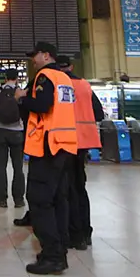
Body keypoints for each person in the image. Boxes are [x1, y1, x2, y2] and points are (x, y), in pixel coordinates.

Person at [15, 42, 77, 275]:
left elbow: (42, 105)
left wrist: (22, 97)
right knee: (58, 200)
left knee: (39, 200)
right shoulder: (65, 78)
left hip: (48, 146)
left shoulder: (45, 76)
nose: (33, 60)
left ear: (46, 55)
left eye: (35, 56)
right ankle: (59, 251)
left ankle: (52, 256)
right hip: (65, 145)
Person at [57, 55, 104, 250]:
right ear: (72, 66)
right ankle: (85, 232)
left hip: (64, 142)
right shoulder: (85, 85)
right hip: (83, 143)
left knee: (66, 190)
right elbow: (99, 113)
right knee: (80, 187)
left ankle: (72, 233)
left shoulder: (58, 86)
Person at [0, 68, 25, 208]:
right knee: (18, 167)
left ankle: (2, 199)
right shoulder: (20, 91)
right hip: (17, 131)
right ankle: (19, 200)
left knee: (1, 167)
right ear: (16, 78)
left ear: (5, 78)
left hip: (1, 131)